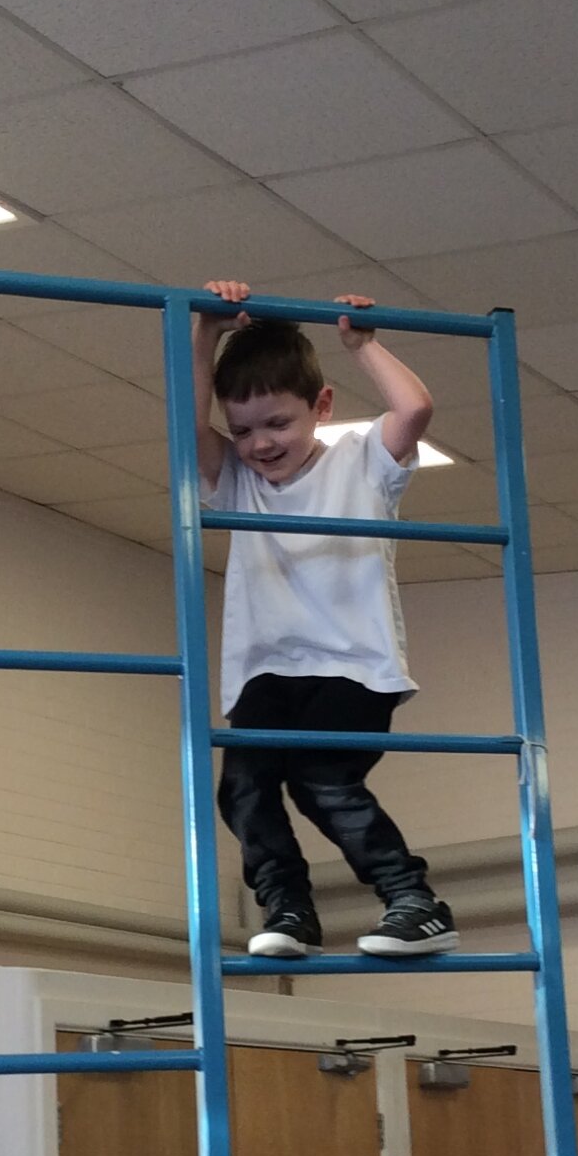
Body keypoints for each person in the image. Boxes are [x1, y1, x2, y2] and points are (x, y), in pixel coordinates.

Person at [189, 279, 457, 960]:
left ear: (323, 406)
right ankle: (288, 907)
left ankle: (414, 900)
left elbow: (415, 408)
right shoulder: (240, 484)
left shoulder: (363, 463)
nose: (260, 444)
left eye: (278, 423)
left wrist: (362, 345)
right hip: (266, 669)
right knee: (241, 788)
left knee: (322, 780)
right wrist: (205, 334)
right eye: (243, 430)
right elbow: (185, 430)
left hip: (352, 666)